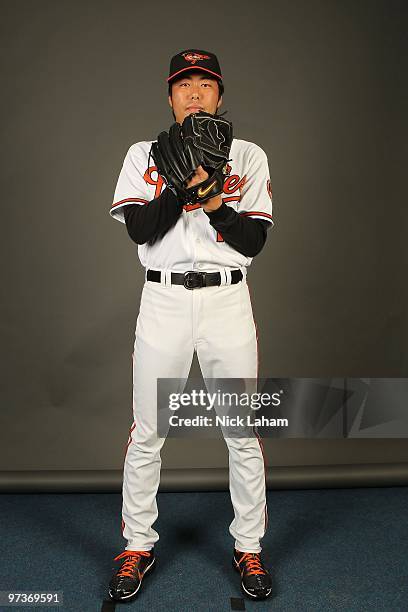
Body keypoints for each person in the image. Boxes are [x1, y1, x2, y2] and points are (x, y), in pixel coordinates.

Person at [107, 49, 274, 603]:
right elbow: (139, 229)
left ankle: (249, 546)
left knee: (242, 431)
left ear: (220, 94)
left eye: (206, 84)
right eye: (185, 84)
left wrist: (216, 202)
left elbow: (253, 241)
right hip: (164, 300)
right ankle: (137, 544)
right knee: (147, 431)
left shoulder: (248, 155)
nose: (195, 93)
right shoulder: (144, 154)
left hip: (228, 303)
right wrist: (181, 190)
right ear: (170, 95)